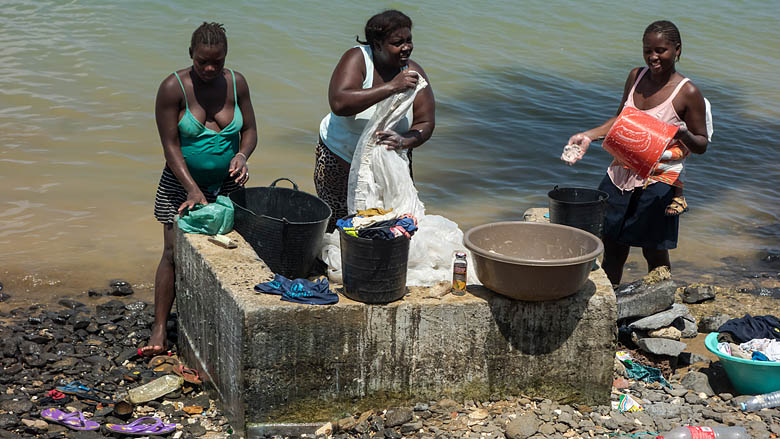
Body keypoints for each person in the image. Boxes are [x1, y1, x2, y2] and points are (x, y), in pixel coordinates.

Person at [563, 20, 708, 286]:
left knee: (654, 250)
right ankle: (610, 305)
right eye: (647, 50)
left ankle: (663, 307)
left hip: (659, 182)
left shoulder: (687, 92)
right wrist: (589, 136)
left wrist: (681, 133)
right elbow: (620, 119)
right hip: (620, 174)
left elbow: (701, 144)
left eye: (661, 50)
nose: (653, 57)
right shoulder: (635, 77)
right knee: (613, 246)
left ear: (677, 50)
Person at [145, 22, 257, 357]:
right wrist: (192, 189)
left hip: (226, 183)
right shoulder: (172, 88)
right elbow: (170, 146)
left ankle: (217, 325)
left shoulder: (236, 83)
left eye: (217, 63)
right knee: (172, 254)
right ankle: (160, 328)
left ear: (226, 57)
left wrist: (241, 155)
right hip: (180, 183)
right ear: (190, 55)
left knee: (227, 250)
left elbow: (250, 130)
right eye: (202, 62)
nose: (209, 69)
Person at [315, 9, 435, 231]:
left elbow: (425, 122)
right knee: (337, 225)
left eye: (409, 40)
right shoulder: (358, 59)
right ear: (377, 44)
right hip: (340, 158)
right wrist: (392, 87)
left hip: (389, 164)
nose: (406, 47)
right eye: (398, 42)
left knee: (390, 222)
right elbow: (340, 103)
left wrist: (404, 141)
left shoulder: (413, 73)